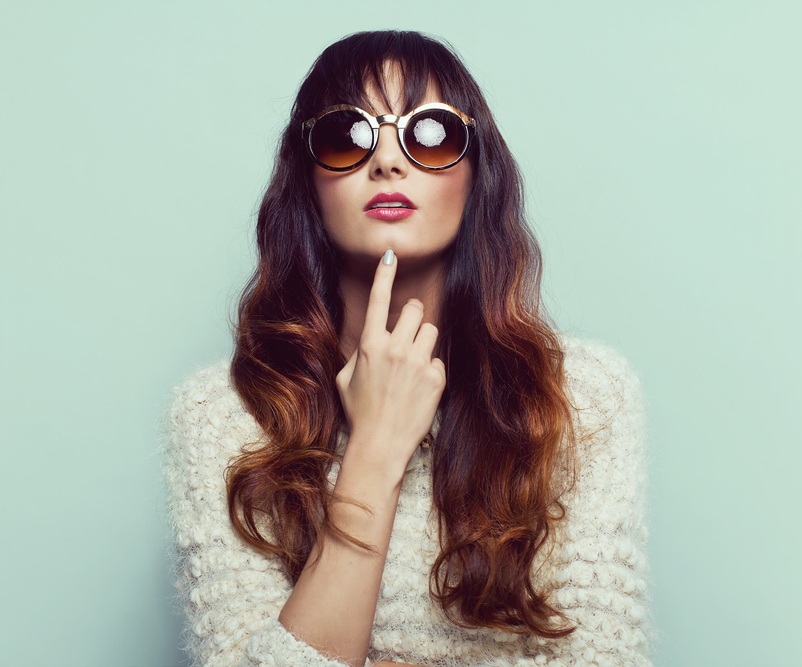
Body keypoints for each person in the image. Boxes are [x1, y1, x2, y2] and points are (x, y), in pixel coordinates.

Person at [165, 30, 652, 667]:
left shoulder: (583, 397)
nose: (388, 162)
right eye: (348, 136)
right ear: (307, 183)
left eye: (430, 134)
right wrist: (375, 447)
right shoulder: (220, 416)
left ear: (477, 175)